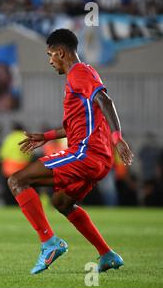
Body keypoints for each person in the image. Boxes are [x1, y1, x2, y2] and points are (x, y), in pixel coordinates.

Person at [7, 29, 134, 274]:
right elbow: (77, 125)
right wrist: (45, 137)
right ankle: (107, 254)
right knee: (61, 202)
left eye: (50, 55)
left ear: (61, 52)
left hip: (86, 153)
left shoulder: (79, 73)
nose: (49, 60)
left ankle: (49, 243)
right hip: (97, 158)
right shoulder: (81, 76)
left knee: (17, 180)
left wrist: (118, 138)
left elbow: (106, 101)